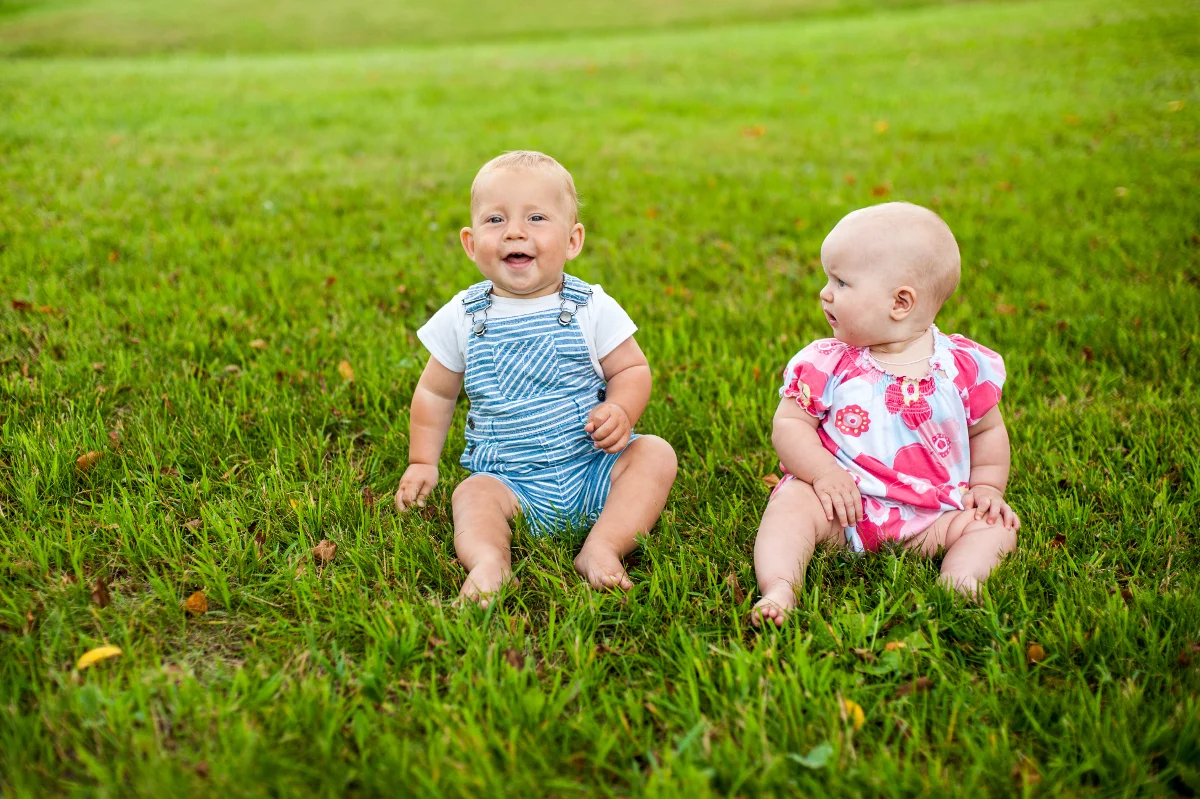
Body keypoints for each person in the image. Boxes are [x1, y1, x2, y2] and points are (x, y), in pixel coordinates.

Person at [395, 151, 677, 607]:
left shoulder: (592, 307)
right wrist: (423, 461)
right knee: (472, 495)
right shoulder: (464, 316)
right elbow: (434, 391)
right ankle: (490, 563)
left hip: (592, 469)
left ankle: (604, 545)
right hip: (510, 483)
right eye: (495, 219)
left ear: (572, 240)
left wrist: (622, 409)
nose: (514, 231)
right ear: (470, 243)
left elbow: (631, 369)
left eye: (537, 217)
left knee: (654, 455)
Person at [753, 202, 1019, 626]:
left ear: (900, 302)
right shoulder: (828, 363)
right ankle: (781, 584)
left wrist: (988, 488)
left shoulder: (961, 367)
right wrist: (823, 474)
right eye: (828, 279)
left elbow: (987, 431)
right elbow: (789, 424)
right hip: (842, 509)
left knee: (997, 525)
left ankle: (960, 582)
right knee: (791, 504)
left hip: (934, 516)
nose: (825, 292)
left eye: (841, 282)